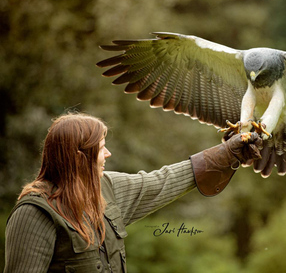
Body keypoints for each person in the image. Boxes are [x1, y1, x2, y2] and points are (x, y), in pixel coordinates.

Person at [4, 112, 262, 272]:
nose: (108, 154)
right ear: (79, 157)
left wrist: (227, 153)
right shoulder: (34, 215)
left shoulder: (108, 189)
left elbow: (163, 181)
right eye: (101, 148)